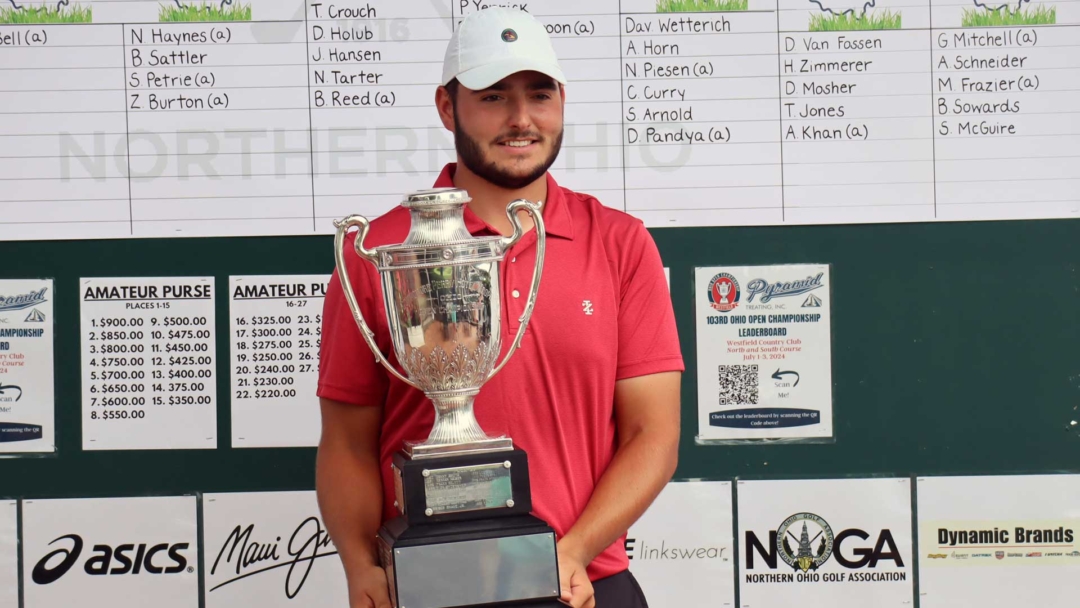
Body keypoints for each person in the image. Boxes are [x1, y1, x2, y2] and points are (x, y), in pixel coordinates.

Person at [315, 8, 683, 608]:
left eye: (539, 95)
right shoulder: (380, 254)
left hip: (583, 582)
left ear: (561, 100)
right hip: (427, 588)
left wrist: (573, 551)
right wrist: (361, 565)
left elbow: (654, 434)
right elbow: (347, 444)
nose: (521, 119)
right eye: (492, 96)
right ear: (446, 107)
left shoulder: (620, 243)